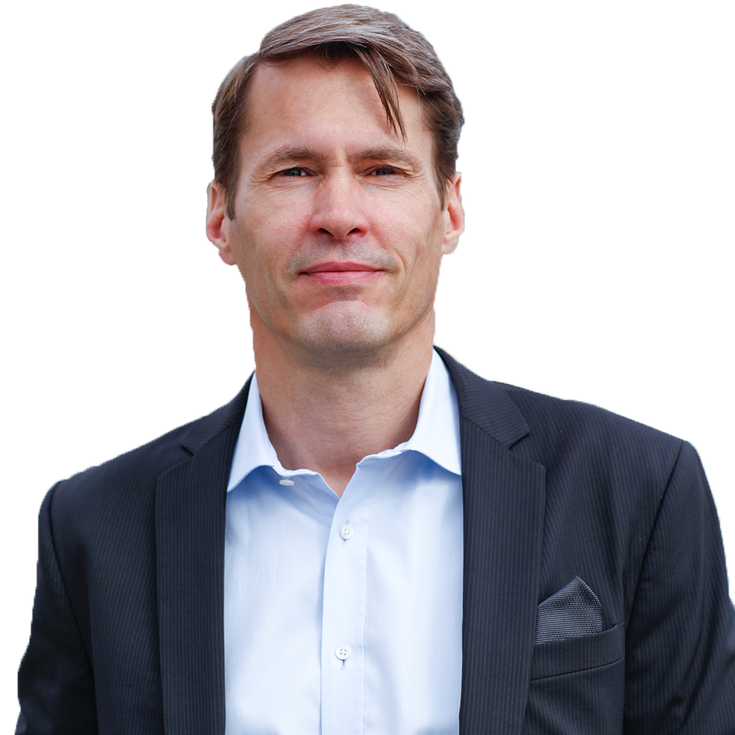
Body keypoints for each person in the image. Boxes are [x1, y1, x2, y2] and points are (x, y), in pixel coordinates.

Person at [14, 4, 734, 734]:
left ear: (451, 211)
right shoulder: (93, 527)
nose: (339, 213)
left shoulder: (640, 489)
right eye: (295, 170)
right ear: (219, 218)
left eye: (382, 169)